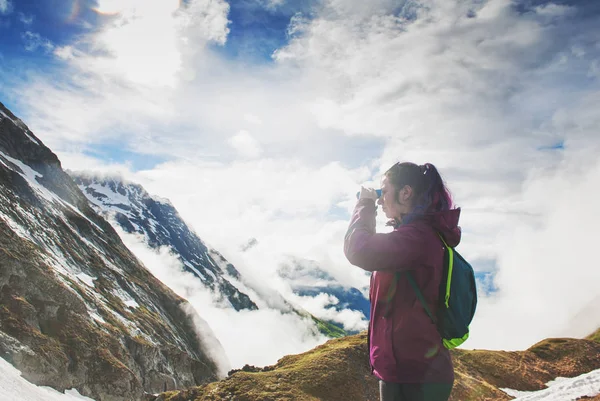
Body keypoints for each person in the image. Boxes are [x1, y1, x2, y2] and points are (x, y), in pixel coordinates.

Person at [344, 162, 460, 401]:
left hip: (417, 375)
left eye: (384, 191)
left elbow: (359, 249)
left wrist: (364, 203)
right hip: (400, 371)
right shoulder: (412, 236)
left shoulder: (418, 238)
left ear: (406, 193)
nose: (380, 199)